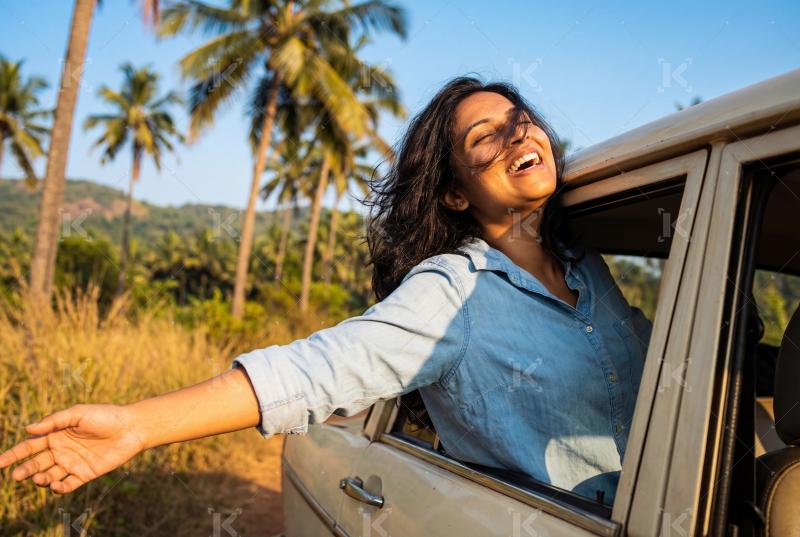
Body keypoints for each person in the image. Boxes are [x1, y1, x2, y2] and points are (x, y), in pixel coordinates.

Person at [0, 77, 652, 504]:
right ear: (455, 192)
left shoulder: (588, 264)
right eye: (485, 136)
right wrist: (138, 424)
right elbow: (316, 368)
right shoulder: (455, 291)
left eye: (520, 119)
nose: (516, 133)